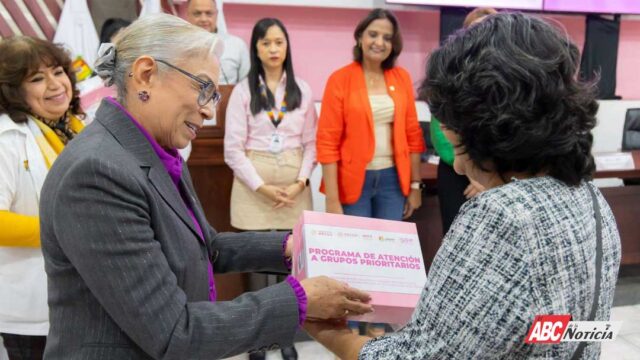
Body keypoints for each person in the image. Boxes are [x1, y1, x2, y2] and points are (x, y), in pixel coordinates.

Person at [39, 14, 372, 360]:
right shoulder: (98, 174)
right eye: (204, 89)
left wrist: (290, 245)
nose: (210, 111)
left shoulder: (155, 152)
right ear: (146, 75)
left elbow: (205, 247)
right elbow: (173, 332)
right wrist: (299, 300)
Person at [305, 13, 621, 359]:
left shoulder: (502, 218)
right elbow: (578, 328)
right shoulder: (592, 200)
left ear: (498, 133)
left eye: (459, 147)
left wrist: (324, 330)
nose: (457, 164)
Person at [316, 8, 425, 337]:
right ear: (360, 37)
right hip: (354, 182)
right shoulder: (341, 78)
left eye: (387, 37)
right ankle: (350, 329)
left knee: (387, 257)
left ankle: (378, 325)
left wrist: (416, 184)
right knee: (355, 258)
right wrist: (333, 200)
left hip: (393, 180)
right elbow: (327, 142)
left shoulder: (401, 78)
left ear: (394, 44)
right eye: (373, 34)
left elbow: (412, 135)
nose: (379, 42)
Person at [224, 17, 317, 360]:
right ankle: (257, 340)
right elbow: (232, 150)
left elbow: (311, 145)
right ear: (256, 48)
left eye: (279, 42)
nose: (274, 49)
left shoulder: (302, 90)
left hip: (294, 191)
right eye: (266, 43)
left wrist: (300, 183)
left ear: (287, 46)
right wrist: (263, 188)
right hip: (254, 192)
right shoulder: (243, 91)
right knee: (258, 269)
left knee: (288, 268)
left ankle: (285, 336)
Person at [0, 36, 85, 360]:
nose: (55, 84)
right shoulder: (6, 139)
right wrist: (64, 232)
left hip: (87, 298)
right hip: (32, 307)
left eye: (58, 71)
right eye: (37, 78)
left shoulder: (79, 125)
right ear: (13, 91)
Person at [430, 7, 496, 234]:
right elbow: (441, 132)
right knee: (456, 235)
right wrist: (473, 174)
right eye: (475, 29)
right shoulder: (447, 72)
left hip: (497, 175)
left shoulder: (510, 76)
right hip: (455, 173)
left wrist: (489, 177)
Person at [187, 0, 250, 85]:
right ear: (188, 15)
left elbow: (247, 87)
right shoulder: (175, 46)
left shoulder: (237, 45)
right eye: (197, 13)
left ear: (216, 14)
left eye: (209, 13)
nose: (203, 19)